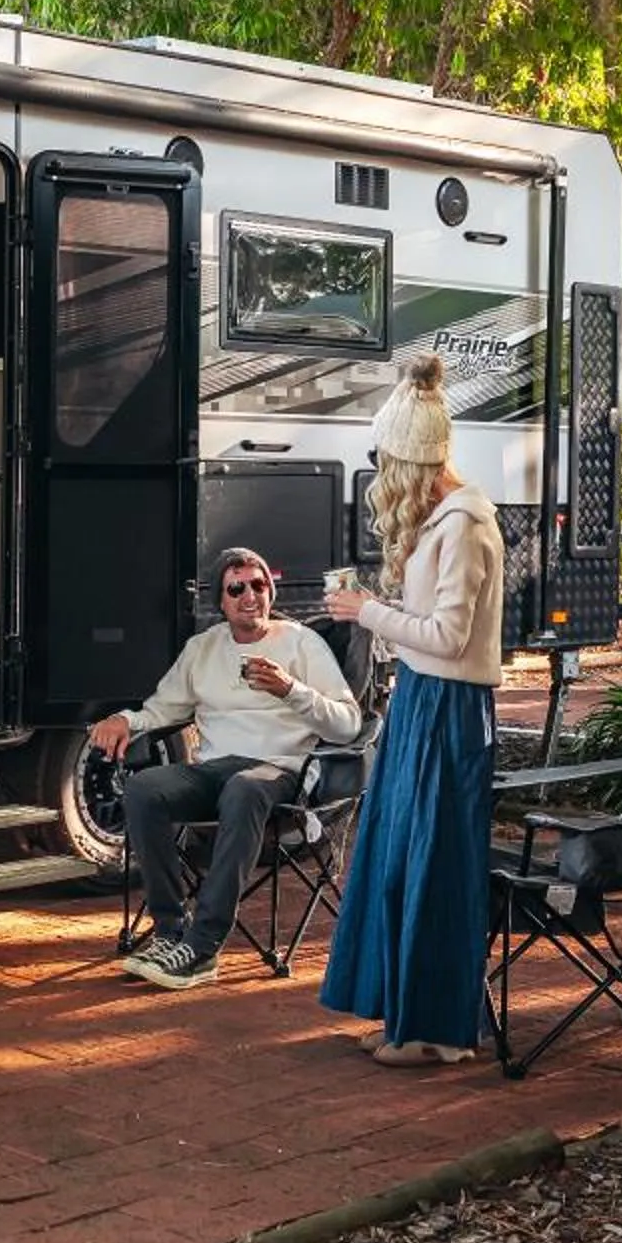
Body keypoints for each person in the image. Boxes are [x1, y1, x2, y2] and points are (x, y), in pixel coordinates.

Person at [319, 353, 506, 1066]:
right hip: (424, 703)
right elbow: (431, 630)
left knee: (434, 868)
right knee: (398, 860)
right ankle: (408, 1017)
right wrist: (384, 611)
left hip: (451, 710)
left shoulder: (464, 525)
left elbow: (450, 639)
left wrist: (371, 613)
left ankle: (437, 1031)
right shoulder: (440, 521)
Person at [90, 545, 363, 991]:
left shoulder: (301, 643)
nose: (249, 596)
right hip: (214, 770)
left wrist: (291, 690)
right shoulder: (203, 648)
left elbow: (349, 723)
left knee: (243, 788)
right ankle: (171, 930)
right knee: (144, 789)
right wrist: (125, 719)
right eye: (236, 588)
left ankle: (202, 947)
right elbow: (162, 709)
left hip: (278, 771)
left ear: (270, 592)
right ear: (221, 600)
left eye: (259, 585)